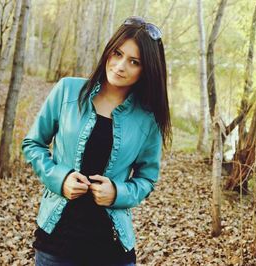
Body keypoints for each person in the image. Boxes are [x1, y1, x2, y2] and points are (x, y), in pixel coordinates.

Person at [21, 16, 171, 266]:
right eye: (117, 53)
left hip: (112, 250)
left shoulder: (148, 120)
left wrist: (117, 192)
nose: (120, 66)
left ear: (147, 70)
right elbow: (33, 144)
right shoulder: (67, 91)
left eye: (134, 62)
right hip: (57, 244)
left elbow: (147, 179)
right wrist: (60, 178)